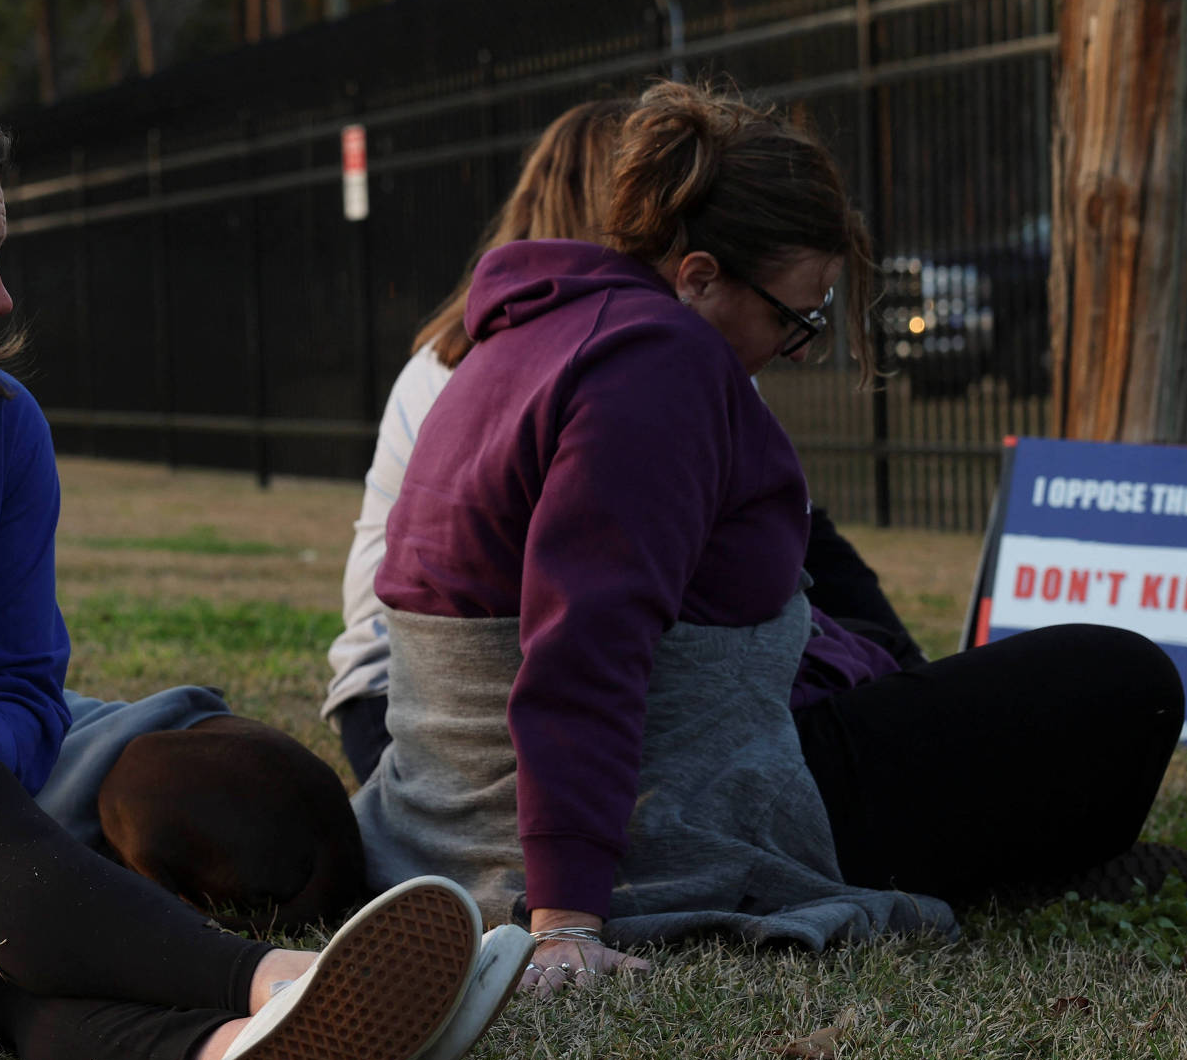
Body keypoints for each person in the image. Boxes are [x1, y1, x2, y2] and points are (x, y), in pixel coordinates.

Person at [355, 81, 1187, 996]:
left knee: (990, 703)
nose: (798, 350)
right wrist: (565, 920)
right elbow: (584, 641)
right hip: (691, 804)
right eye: (798, 317)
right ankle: (1023, 866)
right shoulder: (655, 367)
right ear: (700, 275)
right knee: (1125, 684)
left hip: (457, 807)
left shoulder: (535, 331)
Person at [0, 105, 527, 1060]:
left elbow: (29, 695)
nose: (1, 299)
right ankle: (282, 980)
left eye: (0, 258)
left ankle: (232, 1048)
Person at [324, 100, 926, 784]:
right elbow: (588, 632)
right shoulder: (628, 371)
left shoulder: (505, 350)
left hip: (426, 714)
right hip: (454, 720)